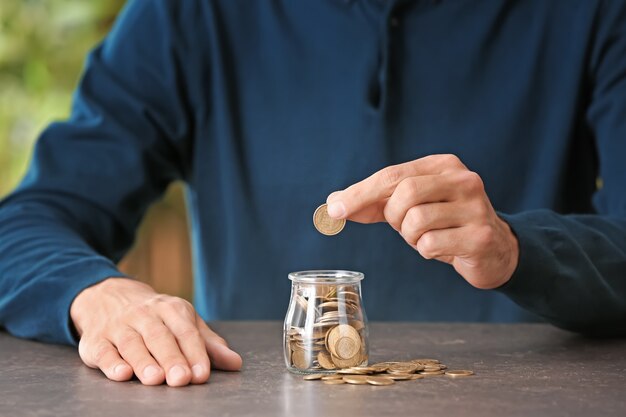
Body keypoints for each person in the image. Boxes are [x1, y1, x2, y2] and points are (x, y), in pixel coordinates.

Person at [1, 0, 625, 387]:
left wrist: (519, 249)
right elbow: (25, 222)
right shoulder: (188, 13)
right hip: (261, 398)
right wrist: (94, 293)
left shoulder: (595, 11)